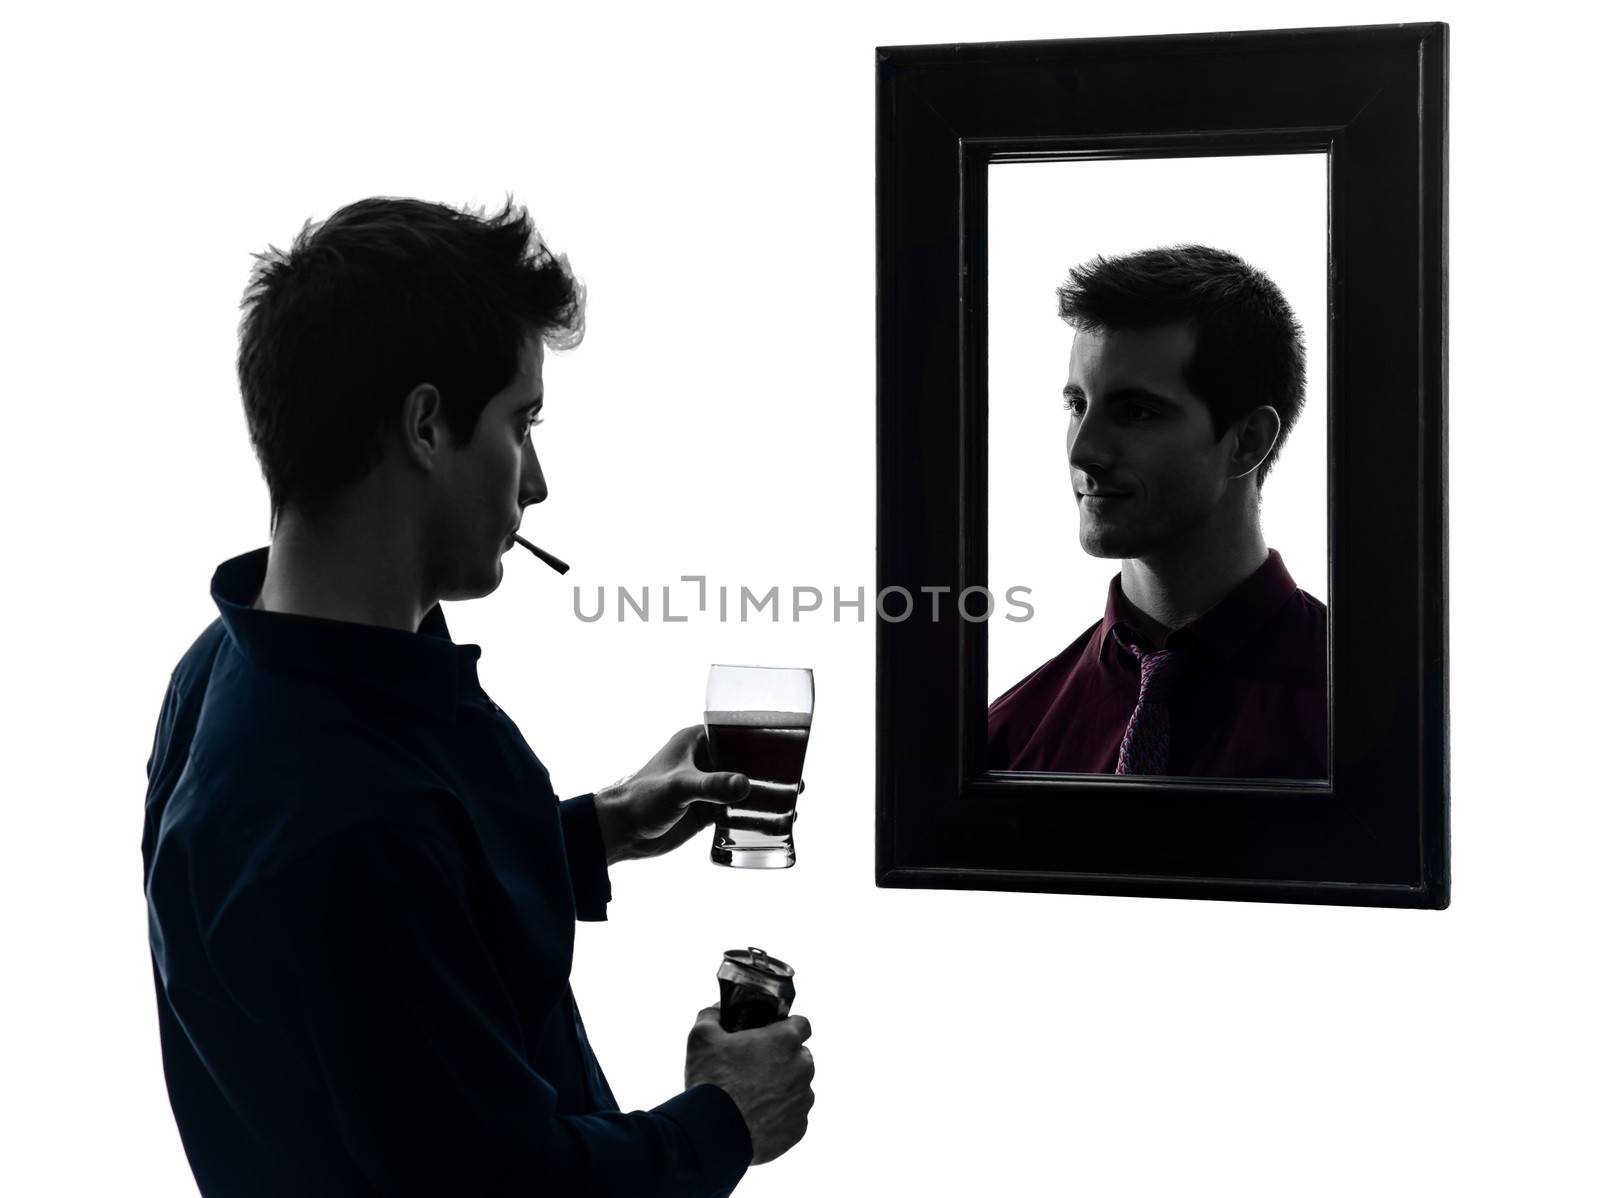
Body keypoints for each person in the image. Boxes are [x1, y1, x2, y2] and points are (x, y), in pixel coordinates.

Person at [142, 196, 814, 1196]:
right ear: (425, 424)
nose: (535, 482)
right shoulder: (340, 822)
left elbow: (408, 946)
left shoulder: (233, 668)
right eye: (521, 421)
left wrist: (606, 826)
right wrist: (724, 1119)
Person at [987, 245, 1327, 779]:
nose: (1083, 451)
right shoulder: (1008, 739)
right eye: (1077, 405)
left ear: (1248, 441)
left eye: (1137, 411)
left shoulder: (1366, 715)